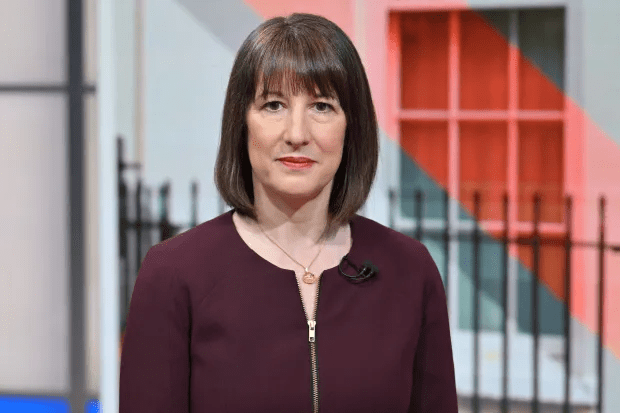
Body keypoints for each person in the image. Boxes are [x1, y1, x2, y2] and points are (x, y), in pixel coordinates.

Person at [119, 13, 458, 413]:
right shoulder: (174, 274)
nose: (297, 133)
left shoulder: (409, 270)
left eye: (321, 106)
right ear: (241, 124)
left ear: (352, 127)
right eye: (274, 104)